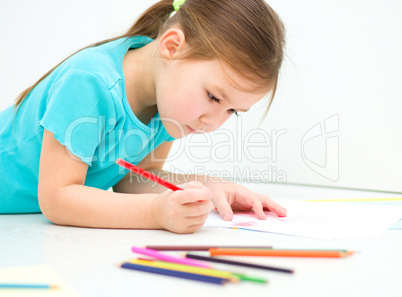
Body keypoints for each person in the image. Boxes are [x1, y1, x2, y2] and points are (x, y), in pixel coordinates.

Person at [0, 0, 287, 233]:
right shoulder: (90, 82)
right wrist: (155, 212)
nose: (213, 122)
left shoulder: (169, 105)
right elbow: (58, 198)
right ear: (172, 47)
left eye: (232, 111)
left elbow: (132, 177)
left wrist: (209, 188)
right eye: (213, 97)